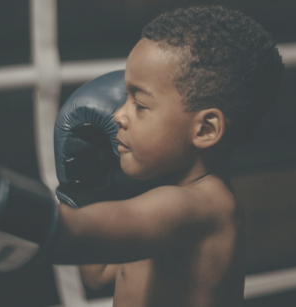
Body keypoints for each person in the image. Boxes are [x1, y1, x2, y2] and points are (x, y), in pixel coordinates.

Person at [52, 5, 284, 307]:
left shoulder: (198, 207)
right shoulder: (170, 211)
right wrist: (86, 184)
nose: (118, 115)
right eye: (125, 97)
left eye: (140, 104)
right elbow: (98, 273)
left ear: (205, 130)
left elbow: (80, 234)